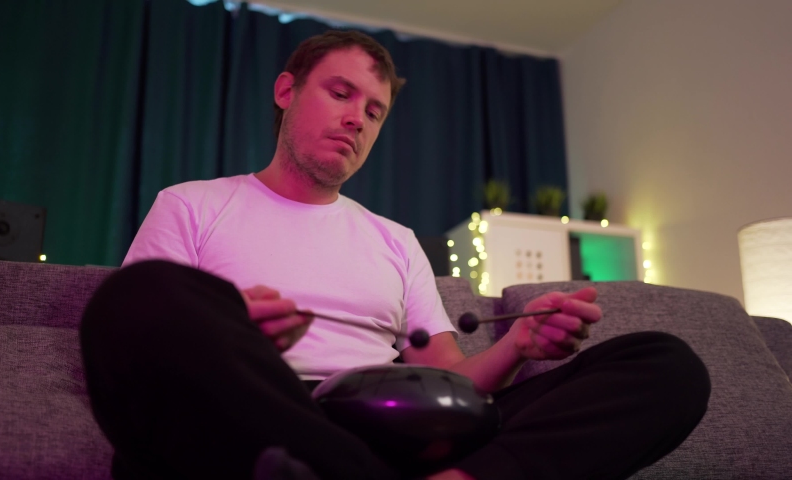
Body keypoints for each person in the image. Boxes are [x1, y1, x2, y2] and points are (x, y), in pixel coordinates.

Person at [80, 30, 710, 480]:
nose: (358, 118)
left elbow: (448, 382)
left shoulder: (394, 239)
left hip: (393, 420)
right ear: (286, 91)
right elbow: (142, 345)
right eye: (340, 93)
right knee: (133, 297)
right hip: (259, 409)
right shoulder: (192, 204)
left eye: (374, 110)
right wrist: (225, 333)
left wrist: (517, 347)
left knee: (667, 365)